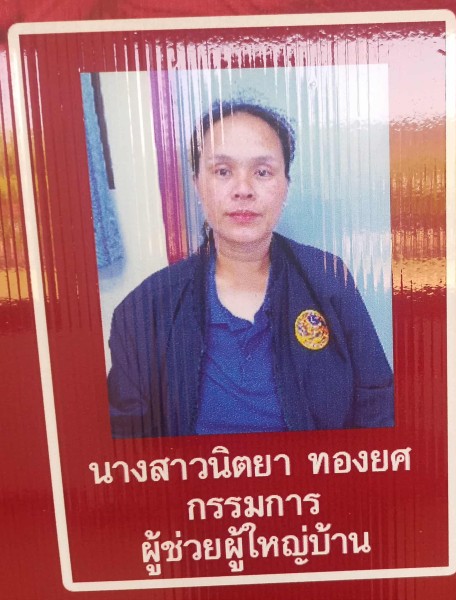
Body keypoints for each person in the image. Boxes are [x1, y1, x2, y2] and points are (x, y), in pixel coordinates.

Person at [107, 100, 394, 438]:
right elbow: (127, 443)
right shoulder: (145, 310)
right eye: (222, 171)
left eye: (262, 172)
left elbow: (378, 408)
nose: (243, 190)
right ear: (197, 183)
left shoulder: (328, 280)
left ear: (285, 185)